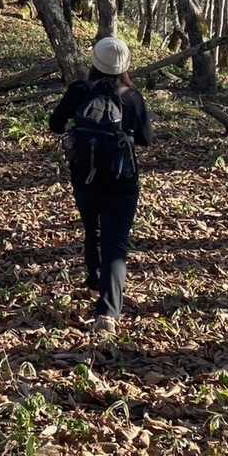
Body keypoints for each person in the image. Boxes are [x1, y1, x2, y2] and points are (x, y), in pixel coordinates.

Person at [49, 36, 153, 332]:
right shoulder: (132, 97)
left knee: (92, 227)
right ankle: (108, 312)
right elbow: (146, 139)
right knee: (115, 241)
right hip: (123, 180)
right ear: (124, 66)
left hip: (85, 175)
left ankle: (94, 276)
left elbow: (55, 124)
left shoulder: (79, 91)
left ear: (94, 62)